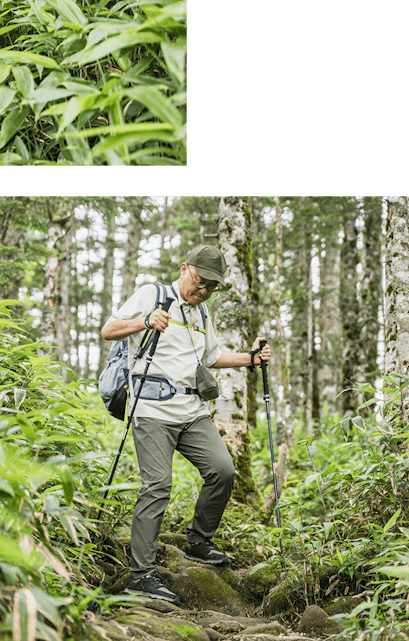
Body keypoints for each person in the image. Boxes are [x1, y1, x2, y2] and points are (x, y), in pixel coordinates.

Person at [101, 244, 272, 604]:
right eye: (201, 281)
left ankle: (198, 541)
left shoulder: (201, 313)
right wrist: (145, 321)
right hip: (151, 410)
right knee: (158, 485)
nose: (204, 290)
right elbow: (109, 329)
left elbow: (212, 356)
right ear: (184, 269)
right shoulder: (153, 295)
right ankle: (141, 575)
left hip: (191, 410)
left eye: (212, 286)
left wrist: (251, 359)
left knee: (223, 470)